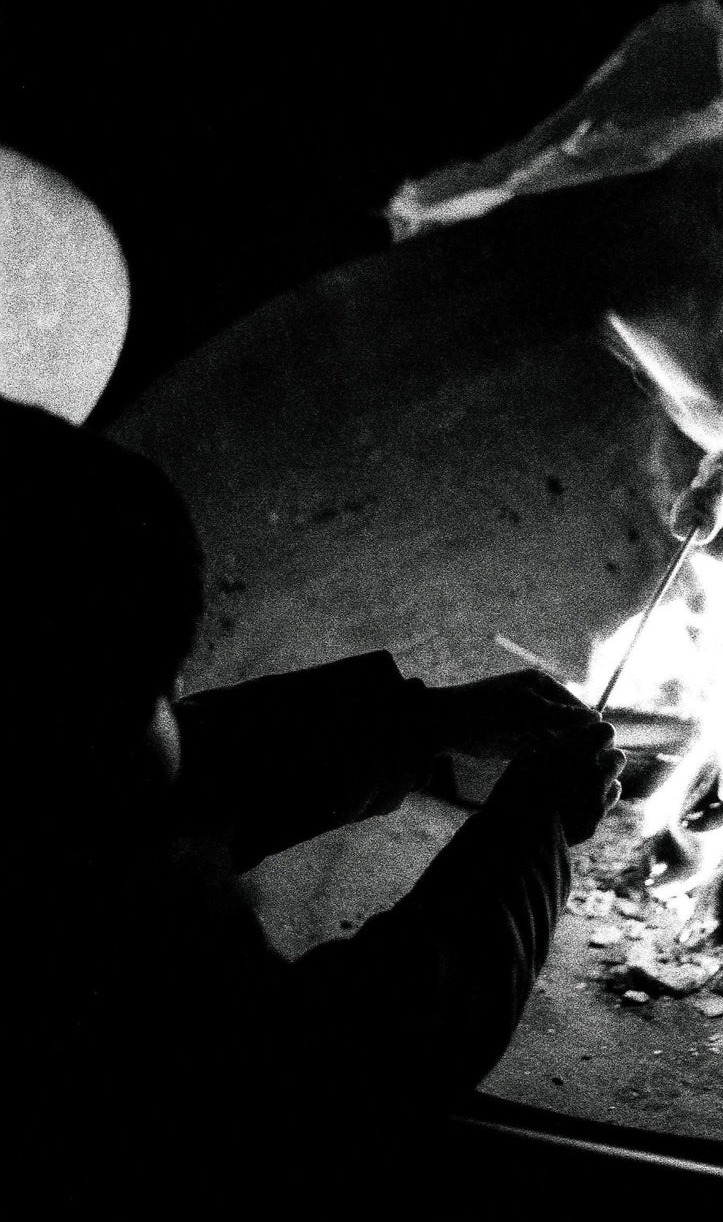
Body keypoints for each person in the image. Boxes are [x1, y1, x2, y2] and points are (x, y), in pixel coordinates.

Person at [1, 392, 624, 1205]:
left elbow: (193, 772)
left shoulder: (36, 786)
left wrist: (424, 720)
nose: (181, 696)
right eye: (156, 693)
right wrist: (534, 825)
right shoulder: (96, 969)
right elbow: (357, 1065)